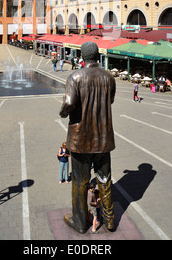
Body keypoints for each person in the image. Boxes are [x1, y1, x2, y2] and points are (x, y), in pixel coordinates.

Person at [59, 41, 116, 234]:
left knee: (80, 181)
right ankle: (109, 220)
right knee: (105, 179)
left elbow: (69, 102)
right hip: (103, 139)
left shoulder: (75, 77)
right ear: (97, 56)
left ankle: (80, 221)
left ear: (83, 57)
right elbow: (110, 100)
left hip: (81, 139)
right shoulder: (109, 77)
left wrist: (63, 112)